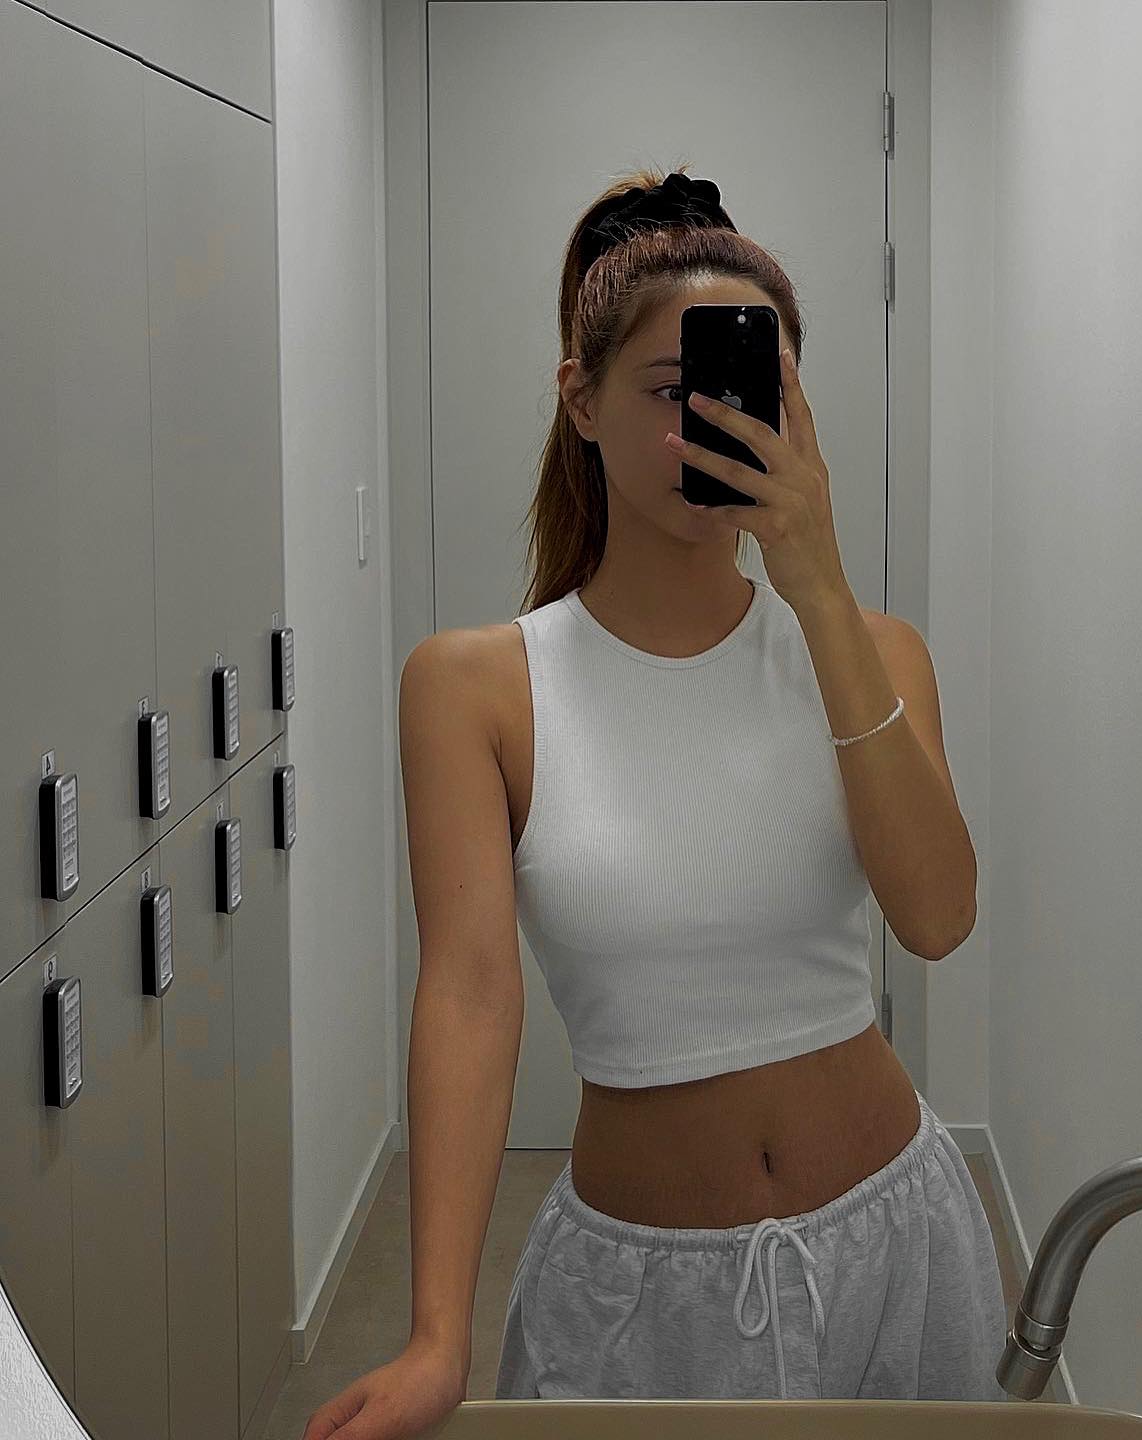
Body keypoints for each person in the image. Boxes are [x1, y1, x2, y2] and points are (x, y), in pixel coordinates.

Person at [303, 167, 1007, 1437]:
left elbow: (938, 915)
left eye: (746, 391)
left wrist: (818, 585)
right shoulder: (477, 688)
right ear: (580, 400)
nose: (710, 424)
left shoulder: (875, 654)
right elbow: (470, 995)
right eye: (670, 390)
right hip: (637, 1289)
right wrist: (438, 1335)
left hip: (898, 1244)